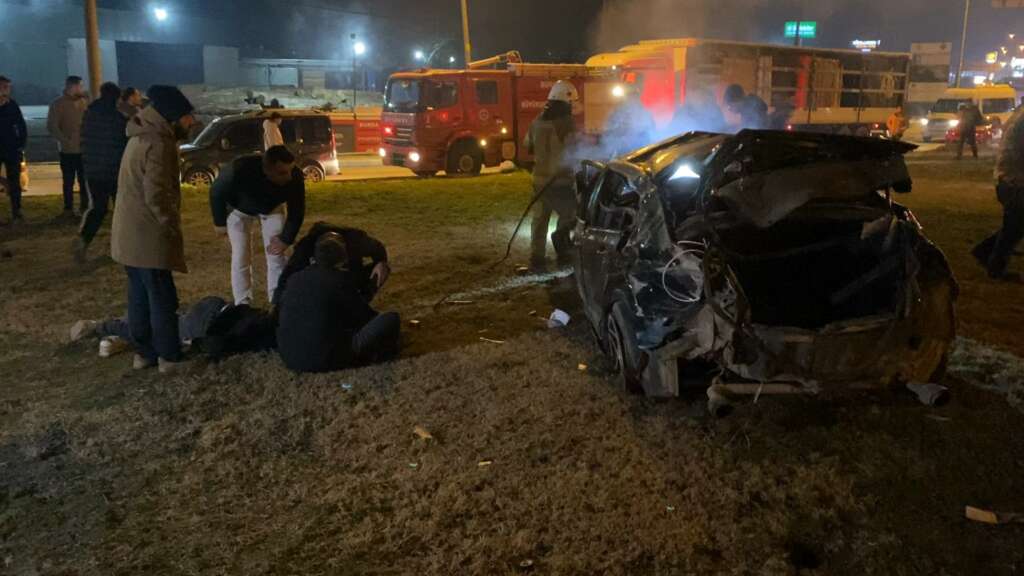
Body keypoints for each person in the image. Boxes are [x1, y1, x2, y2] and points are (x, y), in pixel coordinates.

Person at [111, 85, 196, 374]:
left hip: (129, 234)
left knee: (139, 296)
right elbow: (157, 194)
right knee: (161, 297)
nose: (192, 122)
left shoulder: (141, 135)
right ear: (172, 116)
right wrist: (170, 224)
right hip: (148, 234)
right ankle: (169, 357)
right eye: (187, 116)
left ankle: (144, 353)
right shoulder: (159, 143)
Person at [276, 232, 400, 373]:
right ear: (343, 259)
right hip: (325, 358)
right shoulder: (339, 280)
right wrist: (373, 287)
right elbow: (365, 317)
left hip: (289, 356)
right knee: (391, 318)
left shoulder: (294, 278)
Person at [210, 145, 307, 305]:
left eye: (290, 170)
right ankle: (242, 302)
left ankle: (276, 301)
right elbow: (217, 191)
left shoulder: (295, 176)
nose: (289, 177)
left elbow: (297, 210)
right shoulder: (240, 168)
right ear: (267, 170)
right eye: (282, 173)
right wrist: (219, 223)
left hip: (272, 208)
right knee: (241, 254)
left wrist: (285, 239)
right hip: (238, 209)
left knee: (277, 255)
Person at [69, 295, 276, 361]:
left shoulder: (268, 321)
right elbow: (216, 344)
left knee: (164, 324)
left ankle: (104, 328)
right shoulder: (264, 332)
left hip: (217, 311)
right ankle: (102, 327)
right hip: (208, 322)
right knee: (163, 326)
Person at [524, 79, 579, 271]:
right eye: (571, 102)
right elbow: (575, 149)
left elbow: (527, 145)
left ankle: (537, 258)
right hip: (560, 181)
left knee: (539, 219)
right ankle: (563, 253)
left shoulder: (536, 122)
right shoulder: (567, 123)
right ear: (565, 101)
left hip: (539, 181)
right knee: (569, 215)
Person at [272, 221, 390, 306]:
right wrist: (277, 306)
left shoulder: (355, 240)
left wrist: (381, 261)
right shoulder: (306, 247)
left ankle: (360, 303)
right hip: (321, 283)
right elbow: (288, 275)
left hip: (351, 276)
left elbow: (378, 248)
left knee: (382, 269)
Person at [74, 82, 129, 262]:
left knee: (98, 208)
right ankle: (121, 247)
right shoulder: (117, 118)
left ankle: (83, 239)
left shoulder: (89, 115)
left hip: (93, 171)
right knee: (121, 209)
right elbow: (124, 141)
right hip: (114, 170)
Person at [972, 106, 1024, 282]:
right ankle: (995, 267)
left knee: (1016, 224)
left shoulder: (1019, 116)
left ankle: (984, 252)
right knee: (1015, 225)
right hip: (1014, 180)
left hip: (1009, 178)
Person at [47, 76, 88, 216]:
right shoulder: (58, 104)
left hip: (83, 149)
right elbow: (52, 126)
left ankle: (85, 206)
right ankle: (68, 208)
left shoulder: (84, 102)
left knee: (84, 181)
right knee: (68, 181)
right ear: (73, 87)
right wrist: (65, 141)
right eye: (80, 86)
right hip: (68, 151)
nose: (82, 89)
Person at [0, 75, 27, 223]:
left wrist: (21, 144)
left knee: (15, 181)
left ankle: (17, 211)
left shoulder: (12, 105)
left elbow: (21, 125)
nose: (7, 90)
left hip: (11, 149)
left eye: (8, 87)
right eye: (4, 87)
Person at [604, 85, 656, 156]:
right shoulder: (618, 111)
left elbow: (650, 129)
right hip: (623, 147)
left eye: (634, 96)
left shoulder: (644, 112)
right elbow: (610, 129)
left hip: (639, 148)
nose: (632, 99)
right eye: (630, 96)